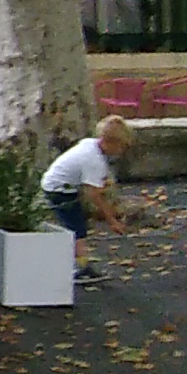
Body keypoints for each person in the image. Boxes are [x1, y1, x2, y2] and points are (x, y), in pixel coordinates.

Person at [41, 115, 133, 285]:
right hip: (59, 190)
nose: (121, 151)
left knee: (77, 224)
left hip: (60, 184)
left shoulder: (90, 144)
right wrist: (112, 220)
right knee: (77, 229)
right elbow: (94, 195)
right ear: (110, 142)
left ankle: (79, 264)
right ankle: (80, 268)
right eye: (121, 146)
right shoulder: (94, 161)